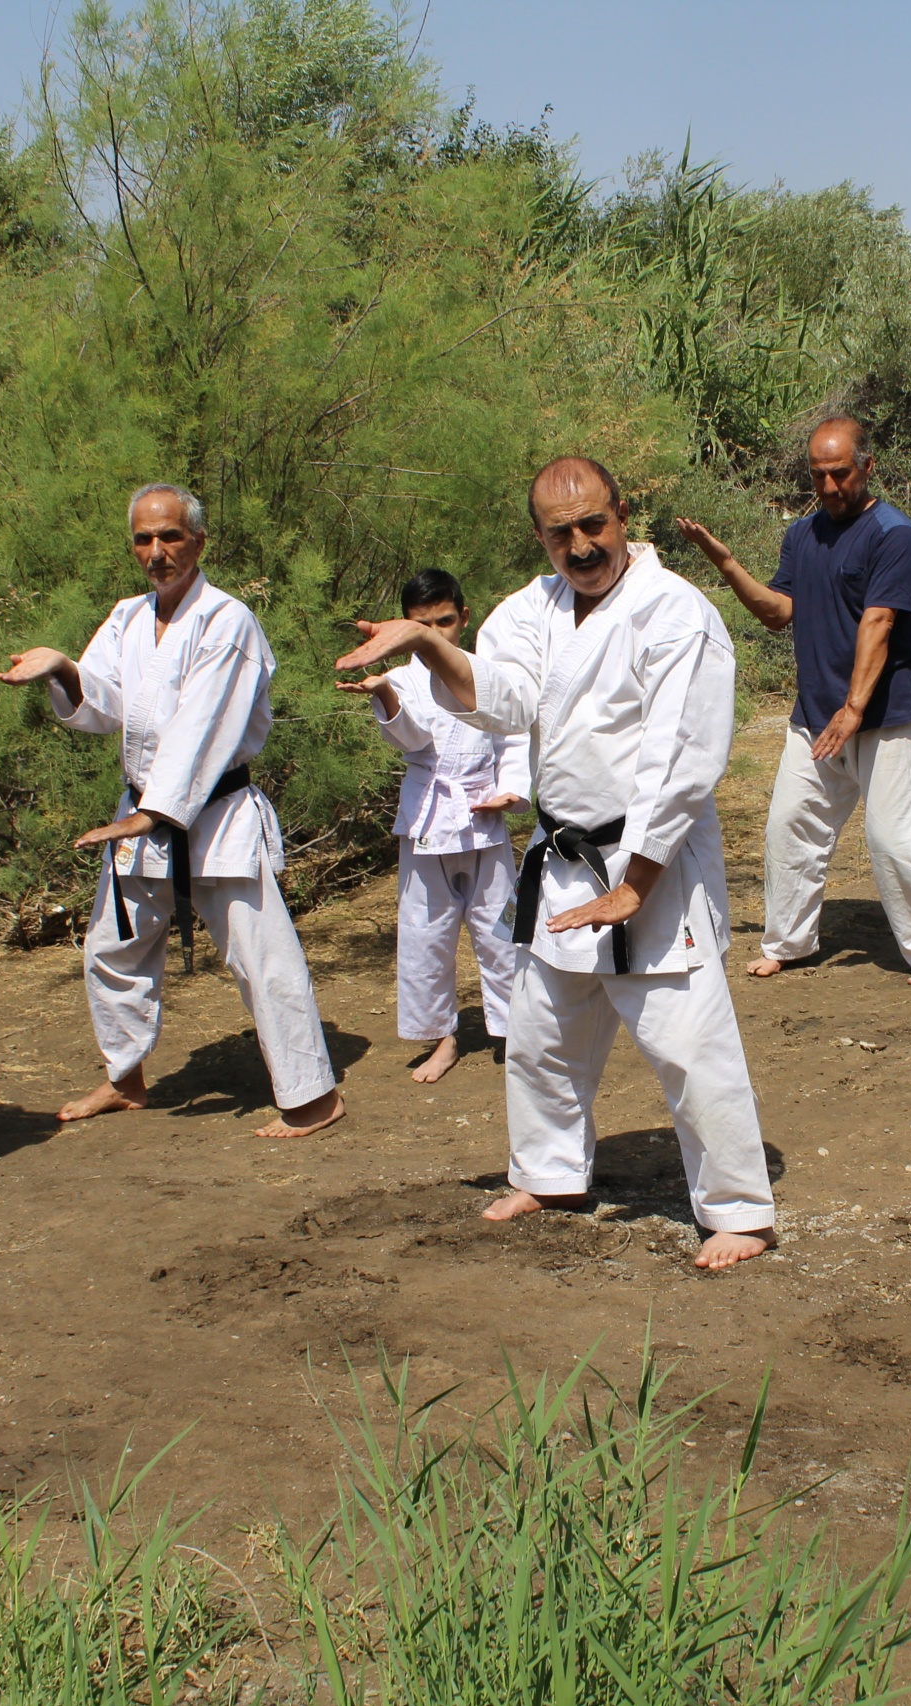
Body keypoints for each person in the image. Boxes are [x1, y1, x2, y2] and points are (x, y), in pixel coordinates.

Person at [335, 456, 776, 1270]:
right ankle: (549, 1174)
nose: (579, 546)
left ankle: (739, 1208)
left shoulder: (676, 612)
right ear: (538, 536)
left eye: (593, 524)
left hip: (650, 857)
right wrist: (429, 644)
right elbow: (501, 699)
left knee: (688, 1041)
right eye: (558, 533)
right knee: (542, 1032)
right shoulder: (527, 610)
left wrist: (635, 884)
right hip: (563, 855)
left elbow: (683, 755)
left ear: (623, 513)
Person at [0, 484, 344, 1140]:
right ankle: (124, 1076)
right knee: (113, 947)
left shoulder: (227, 620)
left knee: (261, 957)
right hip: (142, 810)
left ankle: (313, 1097)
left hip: (214, 810)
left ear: (199, 541)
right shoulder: (127, 617)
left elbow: (203, 724)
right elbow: (103, 703)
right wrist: (64, 669)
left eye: (170, 536)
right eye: (143, 539)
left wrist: (156, 812)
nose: (156, 551)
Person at [677, 417, 911, 989]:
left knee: (894, 839)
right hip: (816, 715)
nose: (828, 486)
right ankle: (789, 942)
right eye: (818, 475)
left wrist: (854, 709)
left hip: (885, 715)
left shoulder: (893, 534)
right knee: (790, 826)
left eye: (839, 474)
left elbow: (879, 621)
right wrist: (724, 561)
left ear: (867, 467)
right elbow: (777, 612)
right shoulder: (802, 535)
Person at [337, 568, 528, 1084]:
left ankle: (515, 1031)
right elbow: (413, 740)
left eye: (444, 622)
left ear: (464, 618)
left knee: (502, 930)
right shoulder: (400, 680)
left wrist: (512, 789)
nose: (434, 634)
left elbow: (514, 736)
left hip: (484, 814)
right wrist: (385, 695)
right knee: (426, 936)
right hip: (427, 816)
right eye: (420, 626)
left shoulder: (484, 672)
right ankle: (443, 1038)